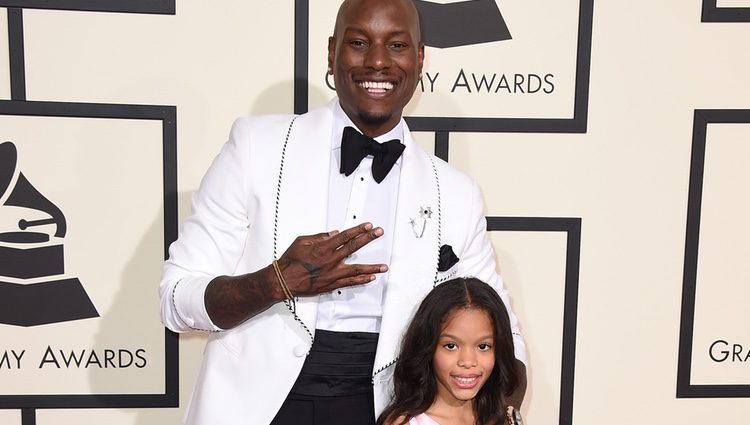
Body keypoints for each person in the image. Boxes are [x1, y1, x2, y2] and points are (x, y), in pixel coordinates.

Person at [159, 0, 527, 424]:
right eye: (358, 42)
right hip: (257, 404)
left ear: (420, 58)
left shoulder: (456, 193)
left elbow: (502, 338)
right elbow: (175, 300)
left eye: (397, 45)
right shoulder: (256, 147)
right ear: (331, 52)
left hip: (384, 407)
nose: (377, 61)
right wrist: (275, 281)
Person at [377, 277, 523, 425]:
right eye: (451, 346)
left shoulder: (504, 418)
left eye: (483, 346)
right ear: (427, 347)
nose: (467, 361)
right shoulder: (405, 423)